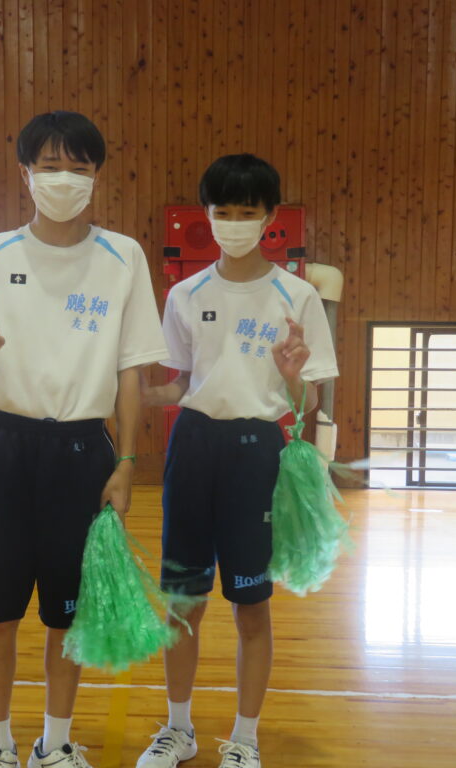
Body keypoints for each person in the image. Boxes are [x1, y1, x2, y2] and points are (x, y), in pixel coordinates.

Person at [0, 111, 168, 768]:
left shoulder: (123, 256)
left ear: (96, 176)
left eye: (78, 167)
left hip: (83, 453)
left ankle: (56, 744)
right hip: (2, 448)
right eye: (50, 166)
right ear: (25, 173)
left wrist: (127, 461)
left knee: (66, 616)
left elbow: (131, 372)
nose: (64, 178)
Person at [136, 154, 339, 768]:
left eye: (246, 211)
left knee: (251, 605)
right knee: (183, 602)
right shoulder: (185, 293)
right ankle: (179, 731)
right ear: (207, 214)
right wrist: (137, 392)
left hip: (258, 453)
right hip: (193, 447)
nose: (232, 222)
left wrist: (294, 375)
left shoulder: (297, 296)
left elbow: (310, 401)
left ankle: (245, 740)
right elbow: (180, 383)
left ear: (270, 217)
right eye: (221, 210)